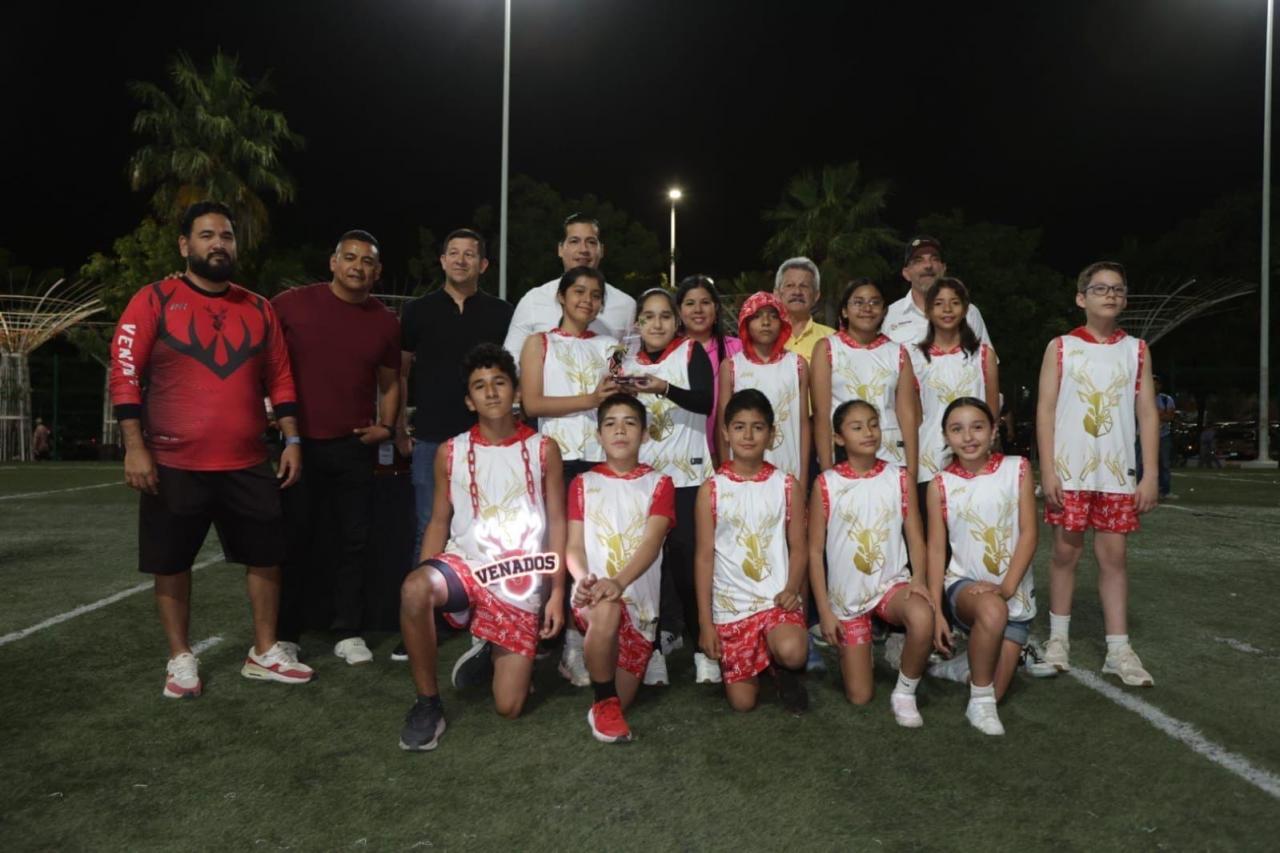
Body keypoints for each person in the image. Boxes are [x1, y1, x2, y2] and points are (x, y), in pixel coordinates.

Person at [109, 200, 313, 698]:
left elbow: (280, 377)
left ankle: (264, 651)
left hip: (248, 460)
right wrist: (134, 446)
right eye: (206, 235)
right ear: (185, 245)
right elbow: (125, 373)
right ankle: (180, 657)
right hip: (174, 461)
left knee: (266, 556)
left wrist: (291, 438)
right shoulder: (154, 299)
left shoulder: (259, 307)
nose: (218, 243)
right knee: (171, 562)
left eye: (226, 235)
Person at [398, 344, 566, 750]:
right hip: (467, 566)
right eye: (480, 386)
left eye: (499, 382)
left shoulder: (543, 449)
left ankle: (491, 643)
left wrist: (557, 592)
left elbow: (557, 522)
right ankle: (427, 704)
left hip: (518, 579)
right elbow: (439, 521)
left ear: (516, 392)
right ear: (469, 401)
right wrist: (424, 581)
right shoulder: (450, 452)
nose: (491, 392)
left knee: (509, 706)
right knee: (414, 589)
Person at [272, 230, 401, 666]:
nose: (357, 267)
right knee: (295, 540)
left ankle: (348, 631)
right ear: (333, 262)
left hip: (353, 446)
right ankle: (286, 633)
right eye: (350, 257)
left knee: (353, 542)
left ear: (377, 271)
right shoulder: (291, 304)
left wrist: (386, 426)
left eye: (367, 261)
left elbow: (391, 382)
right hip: (299, 444)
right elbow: (257, 349)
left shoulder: (385, 321)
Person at [1036, 261, 1158, 688]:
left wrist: (1150, 474)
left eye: (1118, 289)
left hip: (1116, 474)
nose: (1110, 295)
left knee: (1114, 559)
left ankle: (1118, 649)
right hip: (1071, 472)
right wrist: (1048, 468)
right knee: (1065, 554)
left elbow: (1147, 413)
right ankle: (1058, 640)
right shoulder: (1061, 347)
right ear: (1081, 298)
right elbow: (1046, 410)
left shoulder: (1136, 350)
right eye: (1101, 288)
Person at [397, 229, 514, 660]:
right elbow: (401, 372)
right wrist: (398, 426)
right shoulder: (418, 311)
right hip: (432, 436)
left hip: (488, 440)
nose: (461, 260)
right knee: (429, 525)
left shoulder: (502, 313)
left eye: (470, 255)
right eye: (454, 253)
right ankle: (424, 618)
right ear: (443, 260)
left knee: (490, 528)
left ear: (483, 265)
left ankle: (491, 613)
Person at [519, 266, 621, 686]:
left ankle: (578, 642)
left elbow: (618, 401)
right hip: (555, 461)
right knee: (550, 551)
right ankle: (534, 638)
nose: (587, 300)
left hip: (599, 462)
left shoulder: (610, 347)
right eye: (579, 291)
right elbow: (532, 404)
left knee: (591, 555)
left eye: (596, 295)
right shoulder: (538, 343)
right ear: (561, 296)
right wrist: (590, 399)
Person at [809, 399, 933, 726]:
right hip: (847, 599)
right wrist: (824, 611)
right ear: (839, 438)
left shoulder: (899, 477)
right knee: (860, 696)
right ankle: (860, 649)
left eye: (873, 424)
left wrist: (919, 579)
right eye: (857, 427)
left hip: (890, 586)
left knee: (922, 616)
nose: (868, 432)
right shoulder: (826, 484)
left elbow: (915, 535)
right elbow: (814, 551)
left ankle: (904, 692)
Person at [926, 397, 1039, 736]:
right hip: (966, 589)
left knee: (999, 687)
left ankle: (961, 666)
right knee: (991, 612)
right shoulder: (940, 484)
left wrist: (1006, 587)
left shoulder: (1017, 469)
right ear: (946, 437)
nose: (968, 437)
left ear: (993, 431)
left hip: (1014, 594)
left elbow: (1029, 533)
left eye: (977, 427)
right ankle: (979, 702)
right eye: (957, 429)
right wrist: (936, 612)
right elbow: (936, 549)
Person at [566, 394, 675, 742]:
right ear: (599, 434)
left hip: (639, 603)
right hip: (596, 598)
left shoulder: (660, 484)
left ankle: (603, 685)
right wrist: (582, 579)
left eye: (630, 422)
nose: (620, 430)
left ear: (644, 434)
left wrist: (619, 581)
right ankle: (602, 696)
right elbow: (573, 545)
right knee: (608, 610)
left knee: (622, 698)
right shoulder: (582, 483)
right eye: (610, 423)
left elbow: (651, 543)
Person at [695, 389, 809, 712]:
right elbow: (704, 557)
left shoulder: (787, 485)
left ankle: (782, 665)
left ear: (771, 435)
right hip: (732, 608)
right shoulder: (711, 490)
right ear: (725, 432)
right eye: (739, 427)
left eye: (758, 427)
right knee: (742, 704)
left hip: (775, 601)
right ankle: (766, 664)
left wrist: (791, 589)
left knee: (793, 651)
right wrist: (706, 623)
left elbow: (799, 547)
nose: (748, 435)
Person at [622, 288, 714, 683]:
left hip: (689, 479)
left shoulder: (691, 352)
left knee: (689, 569)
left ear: (676, 322)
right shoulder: (624, 362)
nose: (657, 324)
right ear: (638, 323)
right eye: (649, 316)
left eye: (664, 316)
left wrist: (663, 387)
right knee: (647, 572)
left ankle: (703, 650)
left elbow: (706, 402)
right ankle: (652, 651)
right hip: (643, 482)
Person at [811, 278, 919, 476]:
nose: (867, 308)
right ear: (845, 311)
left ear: (884, 311)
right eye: (858, 302)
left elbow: (908, 415)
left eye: (875, 302)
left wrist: (911, 471)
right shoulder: (827, 348)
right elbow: (821, 414)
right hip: (844, 454)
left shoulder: (898, 353)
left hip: (892, 454)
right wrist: (827, 471)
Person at [909, 278, 999, 502]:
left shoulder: (983, 355)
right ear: (928, 311)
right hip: (929, 458)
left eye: (955, 303)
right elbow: (915, 415)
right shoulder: (914, 358)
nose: (947, 309)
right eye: (939, 303)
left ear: (966, 309)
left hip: (975, 453)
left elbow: (992, 410)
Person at [503, 214, 636, 358]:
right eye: (574, 241)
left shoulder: (626, 306)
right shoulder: (533, 300)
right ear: (560, 249)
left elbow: (630, 362)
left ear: (601, 250)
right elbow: (511, 360)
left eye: (591, 242)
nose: (583, 249)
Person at [718, 292, 810, 485]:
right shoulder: (732, 366)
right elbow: (723, 424)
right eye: (757, 316)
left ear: (783, 322)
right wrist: (727, 475)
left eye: (773, 316)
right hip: (742, 470)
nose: (766, 322)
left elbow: (803, 424)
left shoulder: (797, 365)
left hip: (788, 465)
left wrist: (802, 478)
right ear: (745, 323)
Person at [675, 274, 743, 464]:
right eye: (690, 303)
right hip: (678, 453)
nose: (698, 309)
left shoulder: (737, 349)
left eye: (705, 302)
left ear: (716, 308)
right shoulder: (668, 351)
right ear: (679, 311)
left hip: (728, 451)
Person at [885, 236, 992, 347]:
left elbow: (987, 357)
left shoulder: (969, 312)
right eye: (918, 261)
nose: (928, 265)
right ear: (906, 273)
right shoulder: (889, 317)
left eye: (934, 259)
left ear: (943, 269)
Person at [774, 257, 836, 363]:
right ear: (777, 294)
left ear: (816, 295)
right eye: (790, 285)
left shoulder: (832, 339)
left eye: (804, 286)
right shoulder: (764, 336)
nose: (797, 292)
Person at [1154, 376, 1177, 498]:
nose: (1154, 387)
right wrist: (1160, 414)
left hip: (1163, 436)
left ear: (1160, 386)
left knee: (1165, 464)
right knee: (1140, 464)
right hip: (1143, 436)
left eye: (1156, 384)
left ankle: (1165, 491)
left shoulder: (1166, 399)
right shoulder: (1141, 398)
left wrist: (1155, 414)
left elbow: (1170, 417)